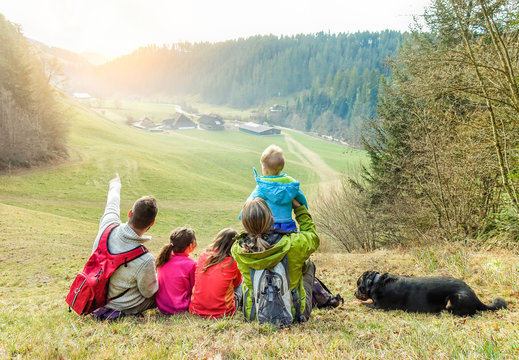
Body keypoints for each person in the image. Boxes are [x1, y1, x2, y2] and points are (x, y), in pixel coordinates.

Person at [231, 197, 319, 323]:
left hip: (255, 315)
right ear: (272, 219)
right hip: (294, 315)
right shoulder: (293, 244)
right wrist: (299, 209)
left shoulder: (238, 250)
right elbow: (313, 237)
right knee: (308, 265)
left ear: (245, 225)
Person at [91, 173, 159, 319]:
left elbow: (112, 203)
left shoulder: (108, 225)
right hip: (121, 306)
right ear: (152, 223)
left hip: (95, 295)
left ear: (130, 213)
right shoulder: (145, 259)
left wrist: (115, 184)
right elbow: (149, 292)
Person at [242, 144, 308, 232]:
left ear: (265, 169)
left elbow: (249, 204)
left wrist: (242, 215)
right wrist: (304, 209)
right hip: (288, 224)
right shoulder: (290, 184)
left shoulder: (263, 186)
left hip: (268, 224)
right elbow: (301, 198)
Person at [189, 228, 243, 318]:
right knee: (242, 282)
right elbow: (236, 283)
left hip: (195, 310)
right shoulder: (233, 262)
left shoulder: (203, 256)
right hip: (223, 313)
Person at [155, 227, 197, 315]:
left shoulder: (163, 259)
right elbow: (193, 289)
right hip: (180, 308)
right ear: (191, 245)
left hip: (162, 306)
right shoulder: (191, 264)